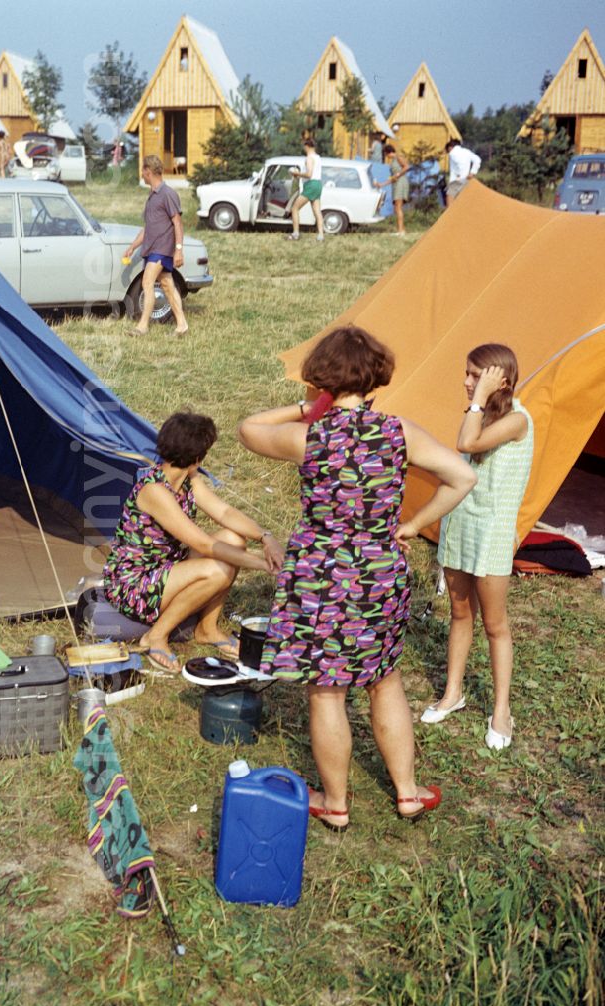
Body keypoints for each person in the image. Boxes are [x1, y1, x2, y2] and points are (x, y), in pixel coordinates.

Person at [238, 326, 476, 830]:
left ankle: (336, 802)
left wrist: (308, 409)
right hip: (379, 570)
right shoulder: (398, 431)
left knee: (327, 689)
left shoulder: (310, 436)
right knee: (384, 679)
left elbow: (247, 428)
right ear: (375, 377)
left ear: (323, 377)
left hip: (321, 573)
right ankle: (408, 793)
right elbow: (463, 476)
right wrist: (410, 524)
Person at [102, 412, 284, 674]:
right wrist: (264, 564)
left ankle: (207, 629)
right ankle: (155, 636)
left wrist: (265, 537)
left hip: (166, 568)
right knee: (218, 569)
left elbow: (224, 513)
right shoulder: (154, 490)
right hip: (134, 583)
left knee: (233, 539)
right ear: (197, 458)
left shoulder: (188, 480)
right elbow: (205, 544)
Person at [423, 344, 533, 751]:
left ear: (499, 379)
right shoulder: (482, 414)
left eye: (475, 375)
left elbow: (469, 444)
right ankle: (454, 692)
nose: (467, 382)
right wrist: (478, 402)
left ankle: (502, 710)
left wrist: (477, 399)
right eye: (467, 375)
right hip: (461, 525)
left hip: (491, 533)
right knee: (459, 613)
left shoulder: (517, 419)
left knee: (495, 624)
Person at [123, 155, 189, 336]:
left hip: (162, 248)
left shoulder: (168, 194)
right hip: (152, 248)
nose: (142, 175)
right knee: (167, 284)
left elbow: (178, 223)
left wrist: (178, 251)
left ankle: (142, 326)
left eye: (143, 171)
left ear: (148, 171)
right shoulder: (152, 196)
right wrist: (133, 246)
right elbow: (148, 227)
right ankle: (182, 325)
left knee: (147, 281)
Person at [287, 138, 325, 241]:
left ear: (307, 146)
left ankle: (295, 234)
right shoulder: (318, 157)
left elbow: (309, 174)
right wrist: (300, 176)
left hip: (311, 184)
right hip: (318, 184)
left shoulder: (309, 158)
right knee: (317, 210)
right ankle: (321, 235)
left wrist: (296, 174)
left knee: (294, 208)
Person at [374, 144, 411, 235]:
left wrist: (398, 174)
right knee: (396, 207)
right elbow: (393, 178)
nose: (387, 157)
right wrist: (381, 184)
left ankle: (400, 231)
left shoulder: (398, 157)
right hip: (396, 183)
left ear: (388, 152)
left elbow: (406, 166)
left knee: (398, 207)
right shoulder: (393, 161)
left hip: (401, 183)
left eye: (386, 154)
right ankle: (401, 229)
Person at [445, 138, 481, 204]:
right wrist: (472, 173)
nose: (448, 152)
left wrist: (460, 175)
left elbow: (459, 163)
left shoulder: (453, 153)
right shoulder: (467, 151)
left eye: (448, 150)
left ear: (450, 147)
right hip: (467, 179)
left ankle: (450, 213)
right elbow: (477, 159)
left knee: (449, 197)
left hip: (458, 180)